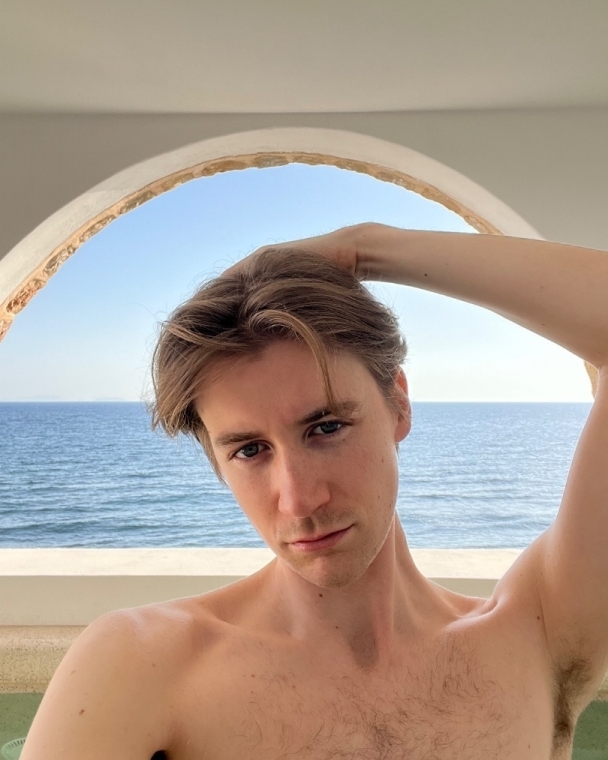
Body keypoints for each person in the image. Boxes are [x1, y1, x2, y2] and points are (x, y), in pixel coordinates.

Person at [21, 222, 608, 760]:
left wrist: (364, 248)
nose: (299, 500)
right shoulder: (142, 664)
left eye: (326, 428)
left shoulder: (536, 635)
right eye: (249, 450)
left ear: (399, 404)